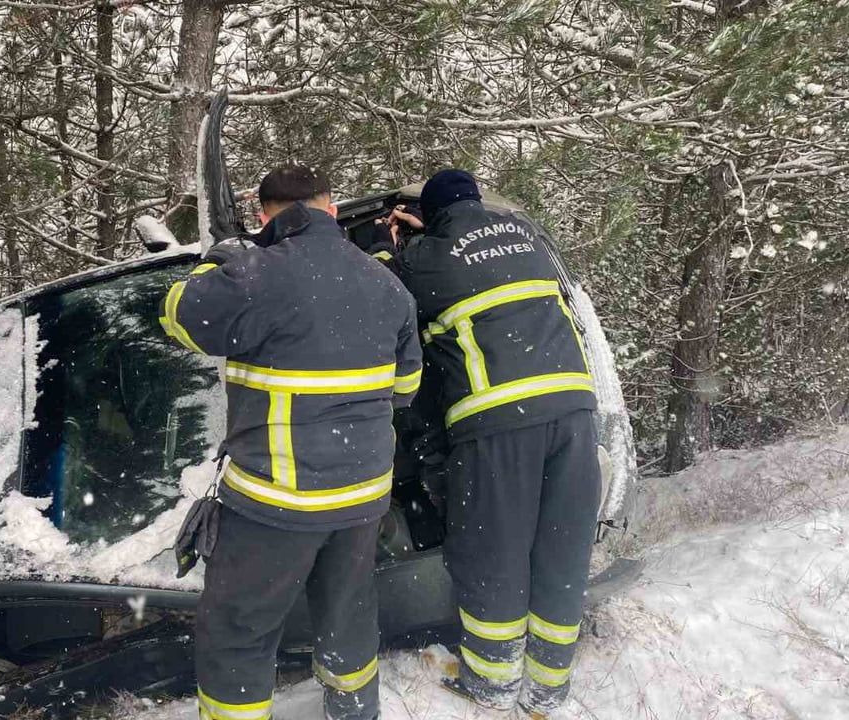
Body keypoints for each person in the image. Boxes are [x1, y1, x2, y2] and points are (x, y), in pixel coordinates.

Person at [159, 164, 423, 720]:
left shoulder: (256, 274)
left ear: (263, 216)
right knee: (348, 612)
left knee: (239, 631)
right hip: (362, 496)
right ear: (332, 209)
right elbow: (406, 389)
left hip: (277, 499)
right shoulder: (387, 285)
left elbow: (178, 317)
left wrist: (218, 259)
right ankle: (354, 711)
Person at [368, 169, 600, 717]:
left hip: (499, 419)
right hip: (574, 413)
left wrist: (384, 244)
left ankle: (492, 683)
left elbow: (384, 295)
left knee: (495, 552)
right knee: (560, 548)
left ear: (430, 213)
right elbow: (479, 252)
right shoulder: (529, 241)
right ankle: (548, 687)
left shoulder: (426, 258)